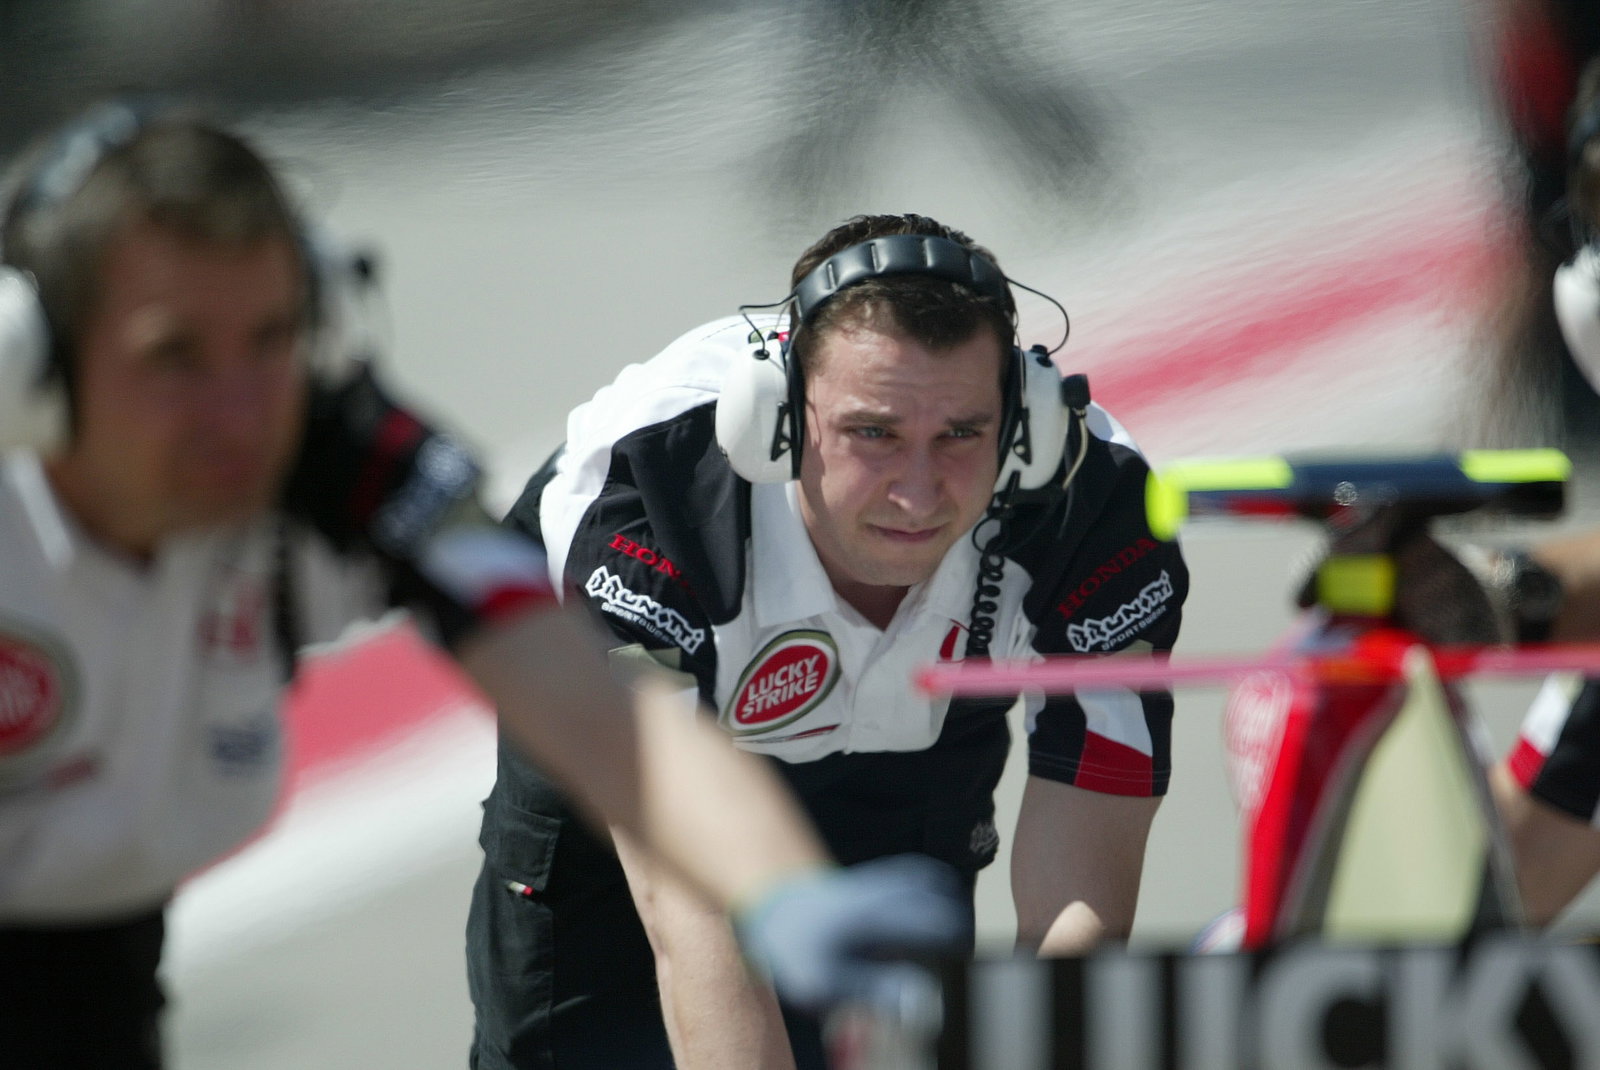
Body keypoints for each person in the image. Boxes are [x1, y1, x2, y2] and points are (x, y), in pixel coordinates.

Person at [0, 104, 967, 1068]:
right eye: (174, 356)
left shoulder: (340, 458)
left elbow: (598, 704)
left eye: (272, 339)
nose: (243, 412)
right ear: (30, 363)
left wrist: (781, 887)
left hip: (96, 954)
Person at [467, 212, 1190, 1069]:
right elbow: (690, 920)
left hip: (911, 756)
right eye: (872, 434)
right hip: (637, 784)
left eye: (962, 434)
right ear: (773, 420)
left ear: (1024, 427)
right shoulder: (652, 498)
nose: (919, 495)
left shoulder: (1093, 507)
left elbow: (1085, 892)